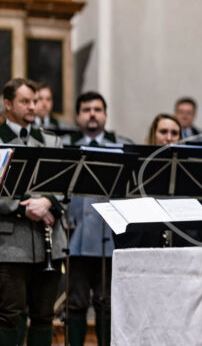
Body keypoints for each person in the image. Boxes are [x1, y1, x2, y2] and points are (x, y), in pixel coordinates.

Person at [63, 92, 133, 346]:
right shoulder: (66, 147)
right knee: (75, 302)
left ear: (105, 114)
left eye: (97, 109)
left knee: (107, 303)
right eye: (86, 109)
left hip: (110, 238)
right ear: (78, 116)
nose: (92, 114)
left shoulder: (122, 145)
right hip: (76, 238)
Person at [0, 79, 65, 346]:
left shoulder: (51, 140)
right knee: (10, 315)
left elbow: (66, 184)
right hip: (10, 242)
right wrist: (26, 206)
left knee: (44, 315)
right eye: (25, 101)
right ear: (7, 104)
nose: (32, 106)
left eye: (34, 101)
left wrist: (49, 202)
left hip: (47, 239)